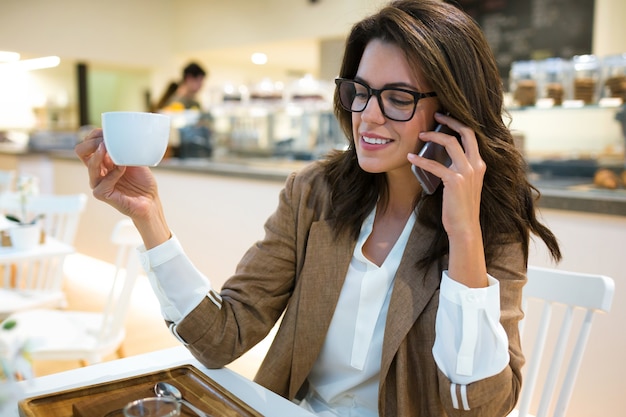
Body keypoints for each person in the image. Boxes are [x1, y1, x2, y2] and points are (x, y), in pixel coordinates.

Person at [75, 1, 561, 415]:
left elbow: (481, 406)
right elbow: (222, 337)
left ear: (454, 112)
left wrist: (464, 237)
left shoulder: (489, 222)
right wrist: (149, 215)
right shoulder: (316, 193)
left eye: (398, 98)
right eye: (361, 91)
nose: (367, 115)